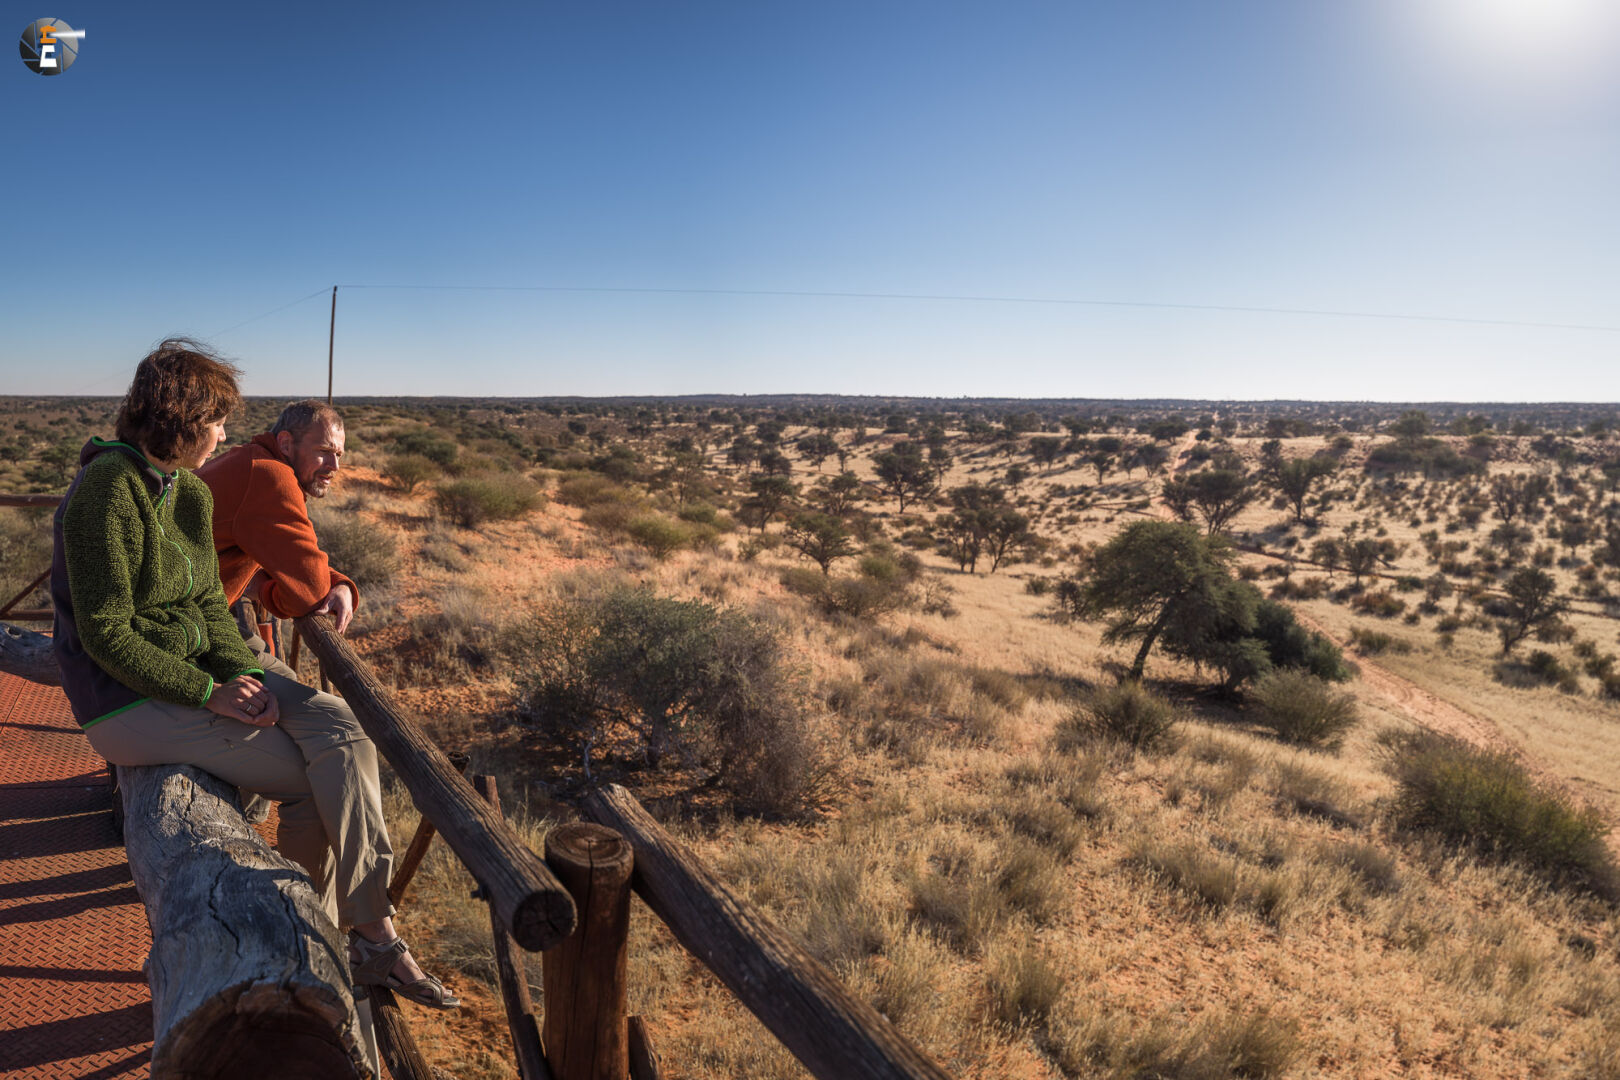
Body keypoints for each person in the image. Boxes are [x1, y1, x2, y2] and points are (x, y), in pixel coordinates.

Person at [50, 340, 458, 1009]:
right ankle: (321, 943)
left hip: (200, 668)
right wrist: (213, 693)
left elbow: (211, 602)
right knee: (315, 782)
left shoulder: (184, 491)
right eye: (216, 421)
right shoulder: (107, 492)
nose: (223, 434)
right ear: (182, 417)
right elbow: (106, 634)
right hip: (124, 701)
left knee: (341, 730)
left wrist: (248, 675)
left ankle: (351, 936)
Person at [195, 399, 355, 678]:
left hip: (194, 621)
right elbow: (308, 592)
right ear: (285, 444)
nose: (335, 466)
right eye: (324, 451)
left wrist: (339, 583)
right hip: (183, 633)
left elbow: (286, 555)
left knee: (286, 679)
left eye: (339, 454)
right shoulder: (271, 476)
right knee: (337, 720)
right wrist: (266, 592)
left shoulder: (250, 458)